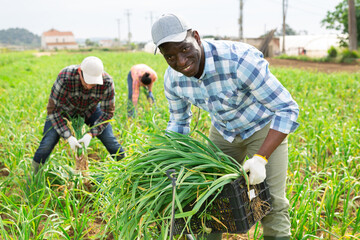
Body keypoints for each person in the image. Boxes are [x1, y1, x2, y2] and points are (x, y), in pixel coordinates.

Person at [151, 14, 299, 240]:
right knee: (210, 196)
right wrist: (169, 156)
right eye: (170, 56)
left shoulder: (238, 61)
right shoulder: (173, 79)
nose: (180, 62)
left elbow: (287, 109)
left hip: (263, 127)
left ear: (197, 37)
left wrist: (261, 159)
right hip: (224, 131)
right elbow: (179, 122)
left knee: (269, 202)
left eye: (184, 50)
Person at [32, 56, 125, 174]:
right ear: (80, 72)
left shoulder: (107, 82)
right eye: (87, 81)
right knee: (47, 142)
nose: (90, 86)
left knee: (110, 141)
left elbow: (108, 113)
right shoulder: (65, 77)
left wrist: (91, 134)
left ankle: (126, 170)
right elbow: (53, 110)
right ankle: (34, 174)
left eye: (94, 83)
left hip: (90, 110)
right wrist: (69, 137)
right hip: (64, 111)